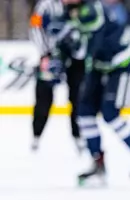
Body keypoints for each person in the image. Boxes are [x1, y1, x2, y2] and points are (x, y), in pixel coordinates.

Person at [61, 0, 130, 184]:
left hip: (122, 64)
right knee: (84, 112)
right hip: (100, 65)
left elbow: (88, 49)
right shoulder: (67, 11)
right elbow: (65, 43)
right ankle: (98, 164)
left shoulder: (91, 10)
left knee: (110, 112)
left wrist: (62, 65)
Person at [28, 0, 86, 153]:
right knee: (44, 96)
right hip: (51, 56)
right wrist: (45, 54)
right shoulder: (46, 5)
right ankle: (36, 136)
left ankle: (79, 136)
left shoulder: (84, 5)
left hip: (76, 59)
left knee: (78, 96)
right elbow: (35, 26)